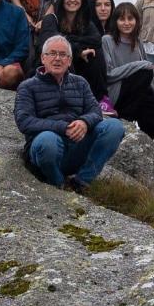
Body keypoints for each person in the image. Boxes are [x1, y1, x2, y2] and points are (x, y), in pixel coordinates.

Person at [15, 35, 126, 193]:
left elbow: (95, 111)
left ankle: (82, 182)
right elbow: (24, 121)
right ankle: (57, 182)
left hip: (76, 145)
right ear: (43, 58)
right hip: (46, 149)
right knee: (47, 140)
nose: (57, 59)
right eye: (52, 53)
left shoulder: (80, 82)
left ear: (69, 60)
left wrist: (84, 122)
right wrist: (63, 128)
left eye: (63, 55)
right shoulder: (27, 87)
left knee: (114, 127)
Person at [36, 0, 109, 106]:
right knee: (63, 53)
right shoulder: (51, 19)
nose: (72, 0)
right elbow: (48, 43)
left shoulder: (86, 22)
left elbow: (96, 40)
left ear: (82, 0)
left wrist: (72, 41)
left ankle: (101, 99)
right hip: (53, 67)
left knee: (95, 53)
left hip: (78, 67)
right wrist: (77, 51)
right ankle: (70, 99)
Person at [100, 2, 154, 139]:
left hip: (137, 94)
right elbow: (109, 74)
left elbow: (149, 74)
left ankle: (151, 139)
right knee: (143, 73)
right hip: (117, 93)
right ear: (115, 21)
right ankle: (125, 120)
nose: (126, 23)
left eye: (130, 19)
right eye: (122, 19)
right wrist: (138, 65)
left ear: (136, 20)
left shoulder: (138, 43)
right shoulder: (107, 40)